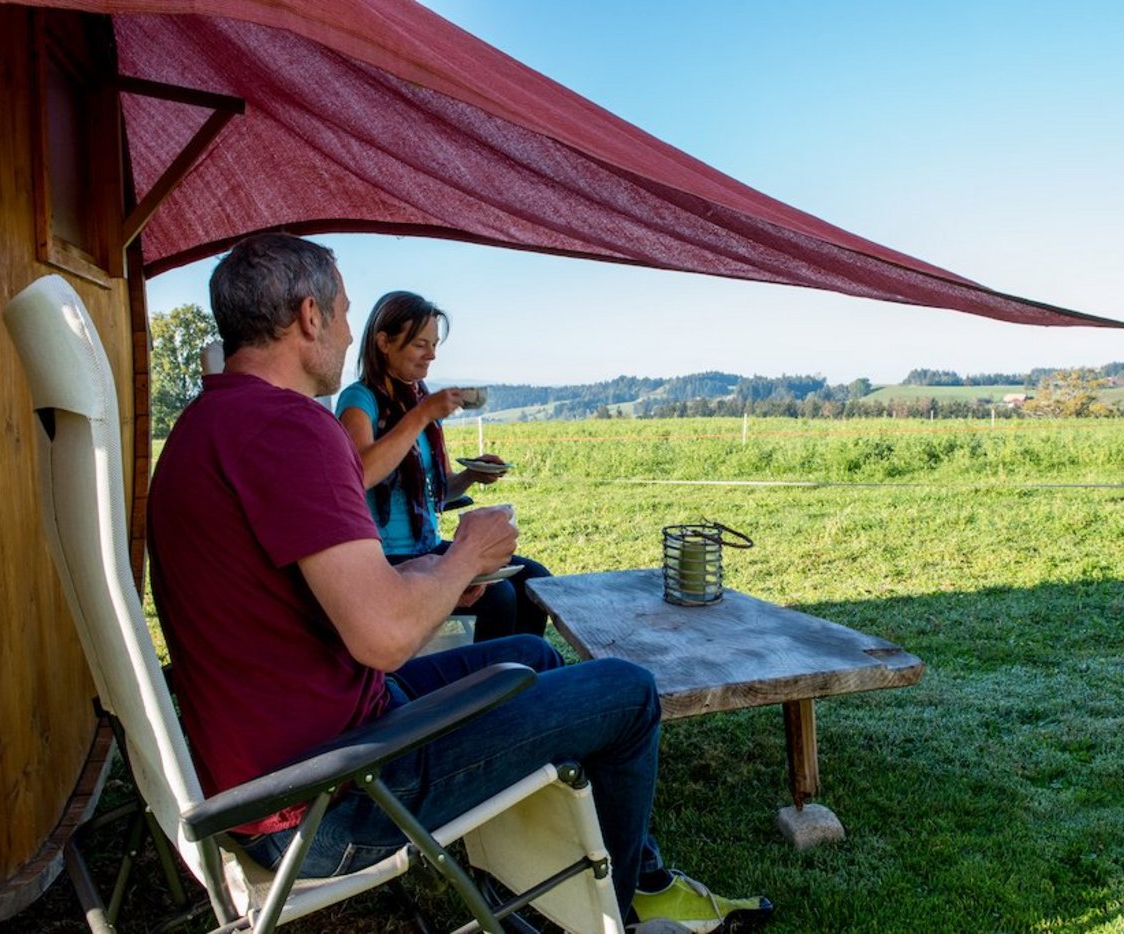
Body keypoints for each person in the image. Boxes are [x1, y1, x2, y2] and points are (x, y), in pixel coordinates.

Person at [145, 232, 771, 932]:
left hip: (282, 761)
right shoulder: (291, 427)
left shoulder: (203, 425)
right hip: (328, 800)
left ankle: (538, 885)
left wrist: (424, 573)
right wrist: (462, 557)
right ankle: (616, 911)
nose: (348, 328)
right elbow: (383, 638)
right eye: (345, 311)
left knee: (529, 657)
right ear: (309, 316)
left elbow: (298, 592)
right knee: (628, 692)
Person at [336, 290, 551, 642]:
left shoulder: (419, 402)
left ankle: (523, 669)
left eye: (434, 344)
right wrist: (422, 415)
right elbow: (359, 474)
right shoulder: (360, 400)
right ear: (384, 342)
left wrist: (470, 476)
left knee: (535, 580)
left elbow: (438, 490)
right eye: (421, 344)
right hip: (387, 558)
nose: (432, 355)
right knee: (499, 598)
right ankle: (487, 683)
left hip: (428, 545)